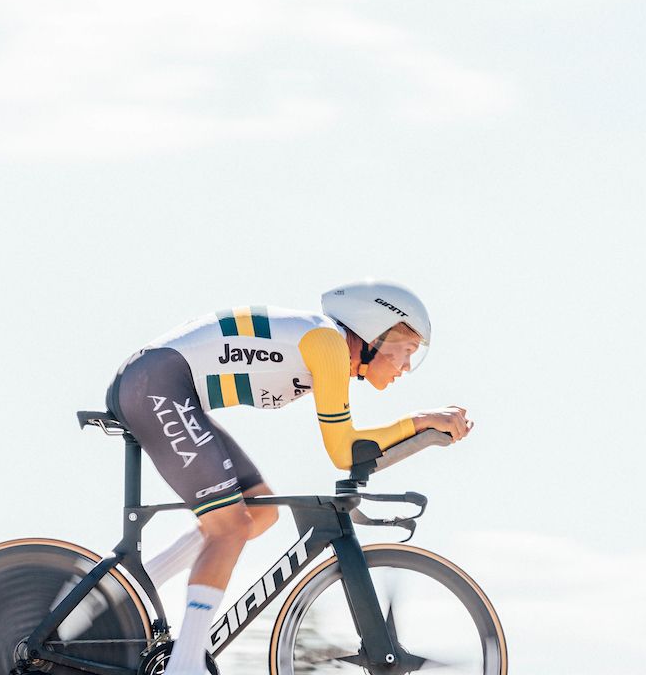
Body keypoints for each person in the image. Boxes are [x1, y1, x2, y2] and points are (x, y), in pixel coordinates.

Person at [103, 279, 473, 675]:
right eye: (406, 352)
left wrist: (420, 432)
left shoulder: (329, 347)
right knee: (229, 525)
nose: (405, 367)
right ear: (374, 333)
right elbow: (343, 450)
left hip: (162, 385)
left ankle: (123, 594)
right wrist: (419, 423)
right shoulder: (329, 343)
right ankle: (185, 665)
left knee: (260, 513)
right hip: (154, 385)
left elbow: (347, 449)